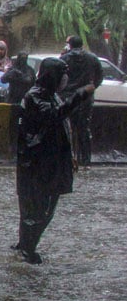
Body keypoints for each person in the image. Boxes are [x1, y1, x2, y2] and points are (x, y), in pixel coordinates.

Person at [14, 57, 95, 264]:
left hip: (51, 161)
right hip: (37, 163)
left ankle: (26, 244)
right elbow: (54, 117)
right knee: (38, 209)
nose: (65, 78)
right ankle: (27, 247)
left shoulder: (52, 95)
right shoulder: (35, 97)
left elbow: (63, 127)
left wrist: (71, 157)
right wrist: (79, 96)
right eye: (62, 74)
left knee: (42, 207)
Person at [60, 35, 103, 165]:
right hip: (86, 96)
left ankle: (70, 158)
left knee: (69, 127)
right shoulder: (92, 58)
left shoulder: (65, 58)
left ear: (71, 45)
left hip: (69, 96)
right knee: (84, 128)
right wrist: (92, 87)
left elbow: (58, 76)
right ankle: (86, 160)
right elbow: (100, 75)